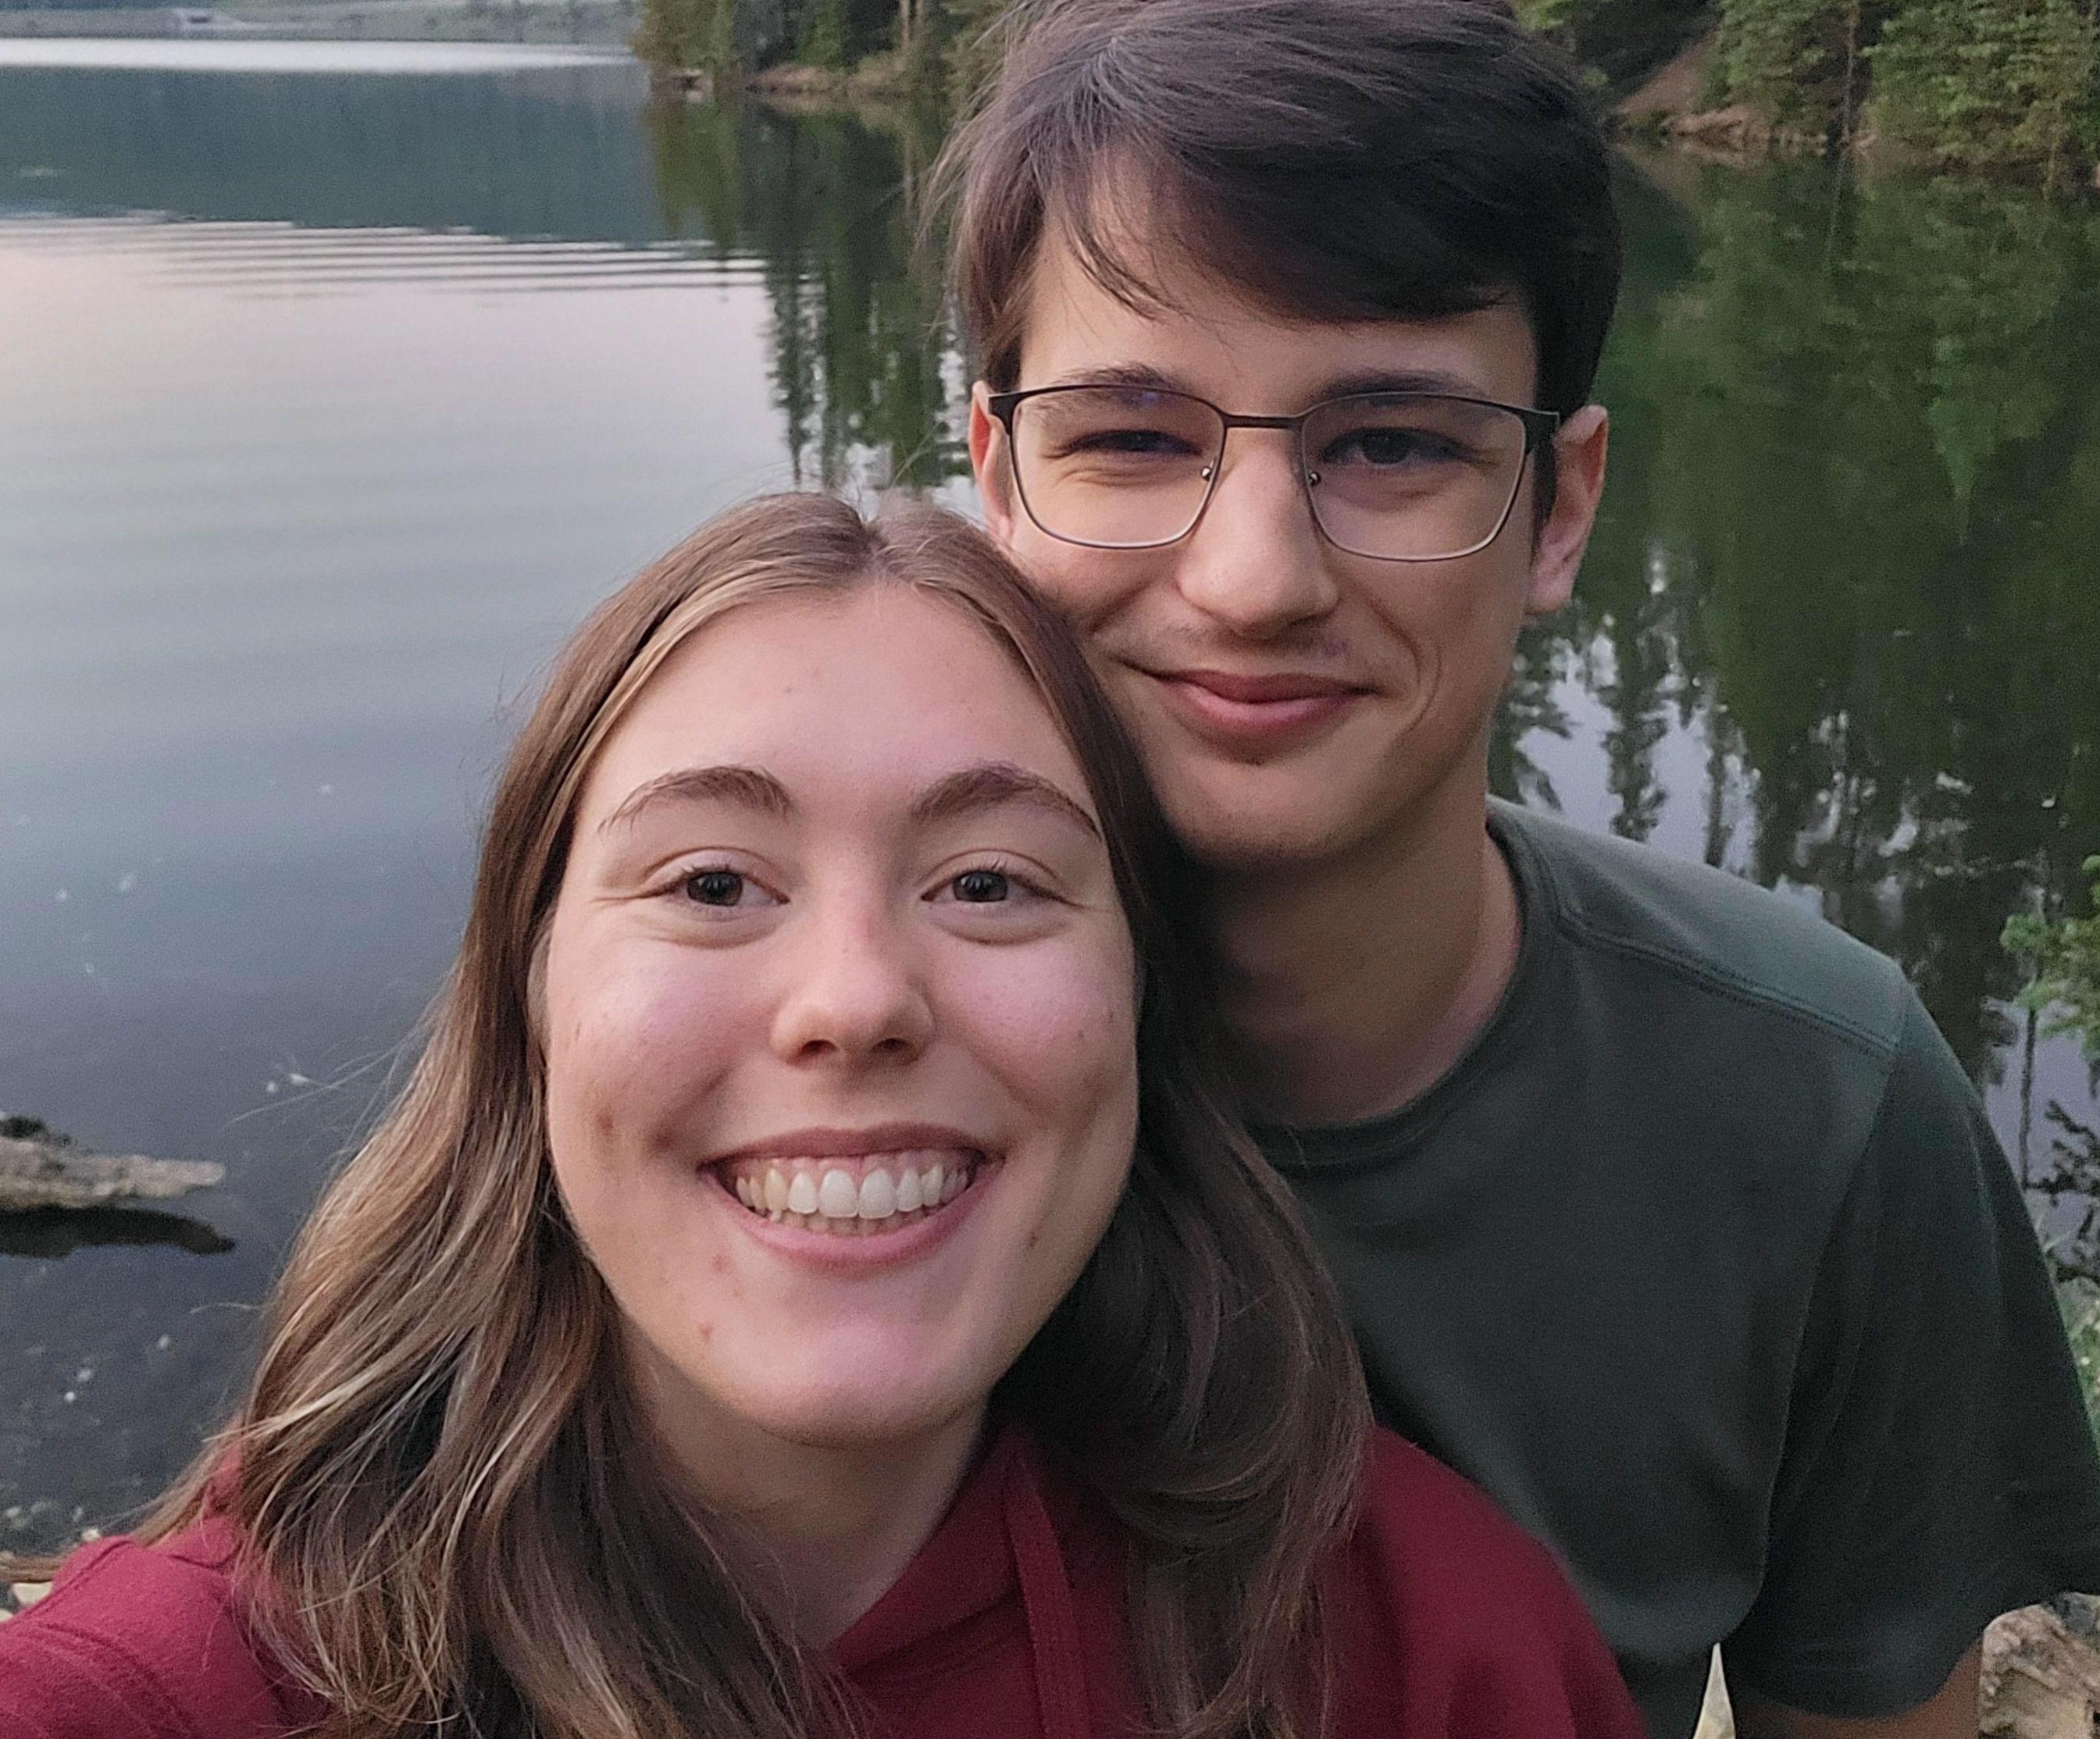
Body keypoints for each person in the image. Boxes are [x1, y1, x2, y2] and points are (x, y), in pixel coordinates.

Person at [944, 0, 2100, 1739]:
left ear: (1558, 509)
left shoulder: (1811, 1107)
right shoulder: (798, 1074)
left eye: (1390, 441)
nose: (1251, 578)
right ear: (998, 481)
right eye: (1133, 437)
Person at [0, 494, 1645, 1739]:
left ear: (1138, 1004)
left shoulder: (1422, 1654)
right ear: (529, 998)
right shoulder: (175, 1691)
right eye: (713, 882)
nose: (854, 999)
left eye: (988, 881)